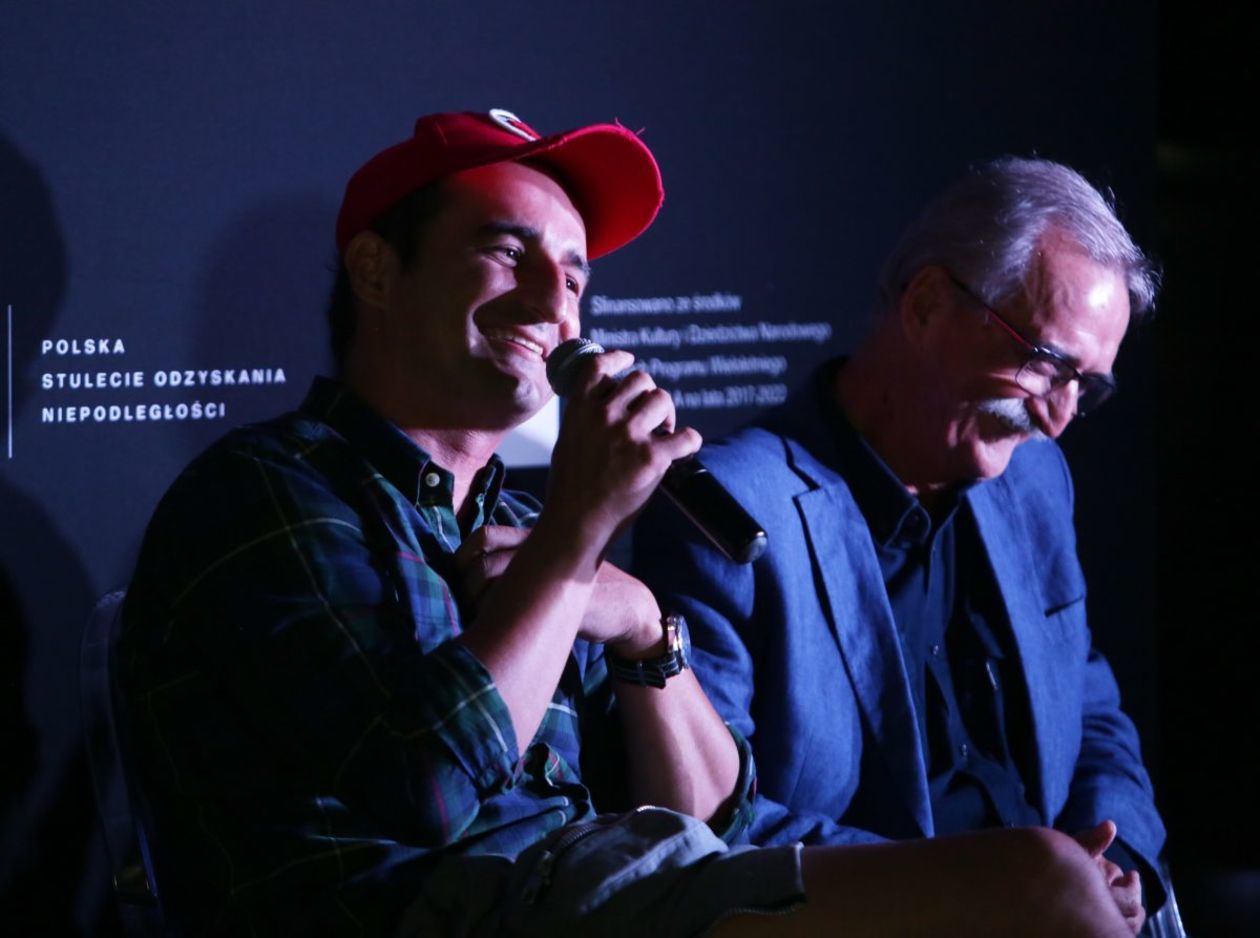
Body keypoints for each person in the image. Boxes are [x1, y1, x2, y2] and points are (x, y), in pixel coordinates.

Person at [120, 113, 1143, 937]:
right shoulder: (271, 490)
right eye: (507, 251)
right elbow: (424, 797)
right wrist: (574, 538)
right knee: (1041, 889)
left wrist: (646, 626)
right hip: (443, 907)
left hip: (605, 884)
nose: (554, 303)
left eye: (574, 277)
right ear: (378, 270)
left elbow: (712, 815)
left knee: (1048, 887)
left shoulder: (521, 525)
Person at [633, 157, 1166, 933]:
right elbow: (718, 822)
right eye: (1047, 365)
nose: (1058, 419)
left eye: (1086, 385)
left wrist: (1122, 866)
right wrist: (1004, 889)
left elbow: (1090, 708)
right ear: (926, 305)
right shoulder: (730, 511)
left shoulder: (1036, 480)